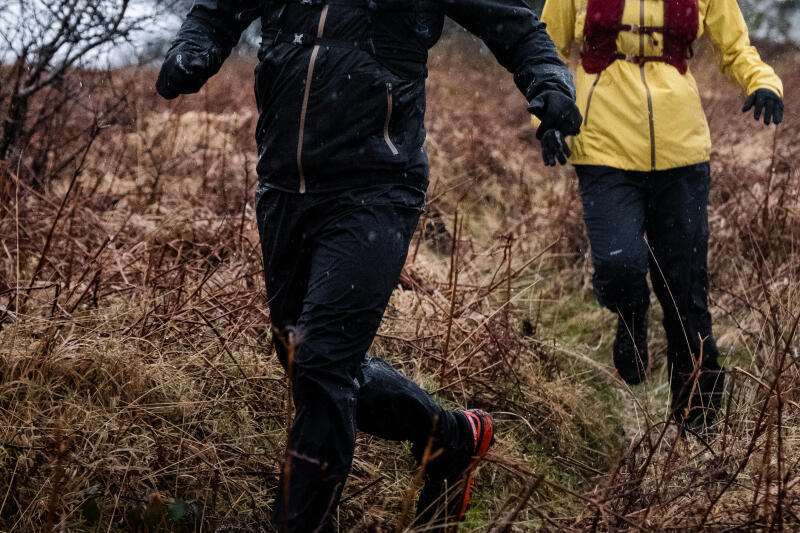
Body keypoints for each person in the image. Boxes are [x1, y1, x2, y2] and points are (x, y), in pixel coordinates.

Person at [156, 1, 582, 530]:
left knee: (320, 361)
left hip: (375, 189)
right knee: (306, 359)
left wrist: (550, 81)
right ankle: (452, 439)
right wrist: (192, 48)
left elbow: (515, 25)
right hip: (284, 188)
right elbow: (218, 12)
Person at [537, 0, 784, 429]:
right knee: (619, 265)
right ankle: (631, 315)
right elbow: (546, 50)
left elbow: (736, 47)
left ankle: (698, 430)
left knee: (685, 293)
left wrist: (762, 82)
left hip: (681, 153)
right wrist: (550, 115)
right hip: (602, 147)